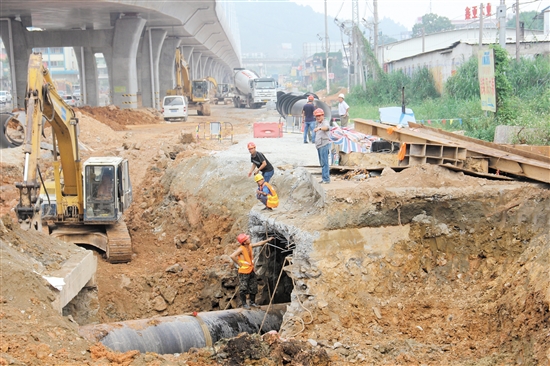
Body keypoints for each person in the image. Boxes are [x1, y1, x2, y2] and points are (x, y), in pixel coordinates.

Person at [230, 234, 274, 309]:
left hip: (251, 270)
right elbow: (232, 256)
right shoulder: (241, 249)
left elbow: (259, 243)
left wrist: (268, 240)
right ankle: (244, 304)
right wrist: (239, 263)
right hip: (244, 272)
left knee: (253, 286)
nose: (249, 239)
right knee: (243, 288)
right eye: (247, 239)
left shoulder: (249, 246)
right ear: (244, 242)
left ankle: (252, 302)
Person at [313, 108, 331, 184]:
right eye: (317, 116)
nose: (318, 117)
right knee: (322, 163)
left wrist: (320, 128)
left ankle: (326, 179)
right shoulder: (318, 123)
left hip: (324, 144)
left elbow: (327, 128)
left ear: (323, 115)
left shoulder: (325, 122)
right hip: (319, 145)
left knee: (324, 163)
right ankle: (324, 178)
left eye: (319, 116)